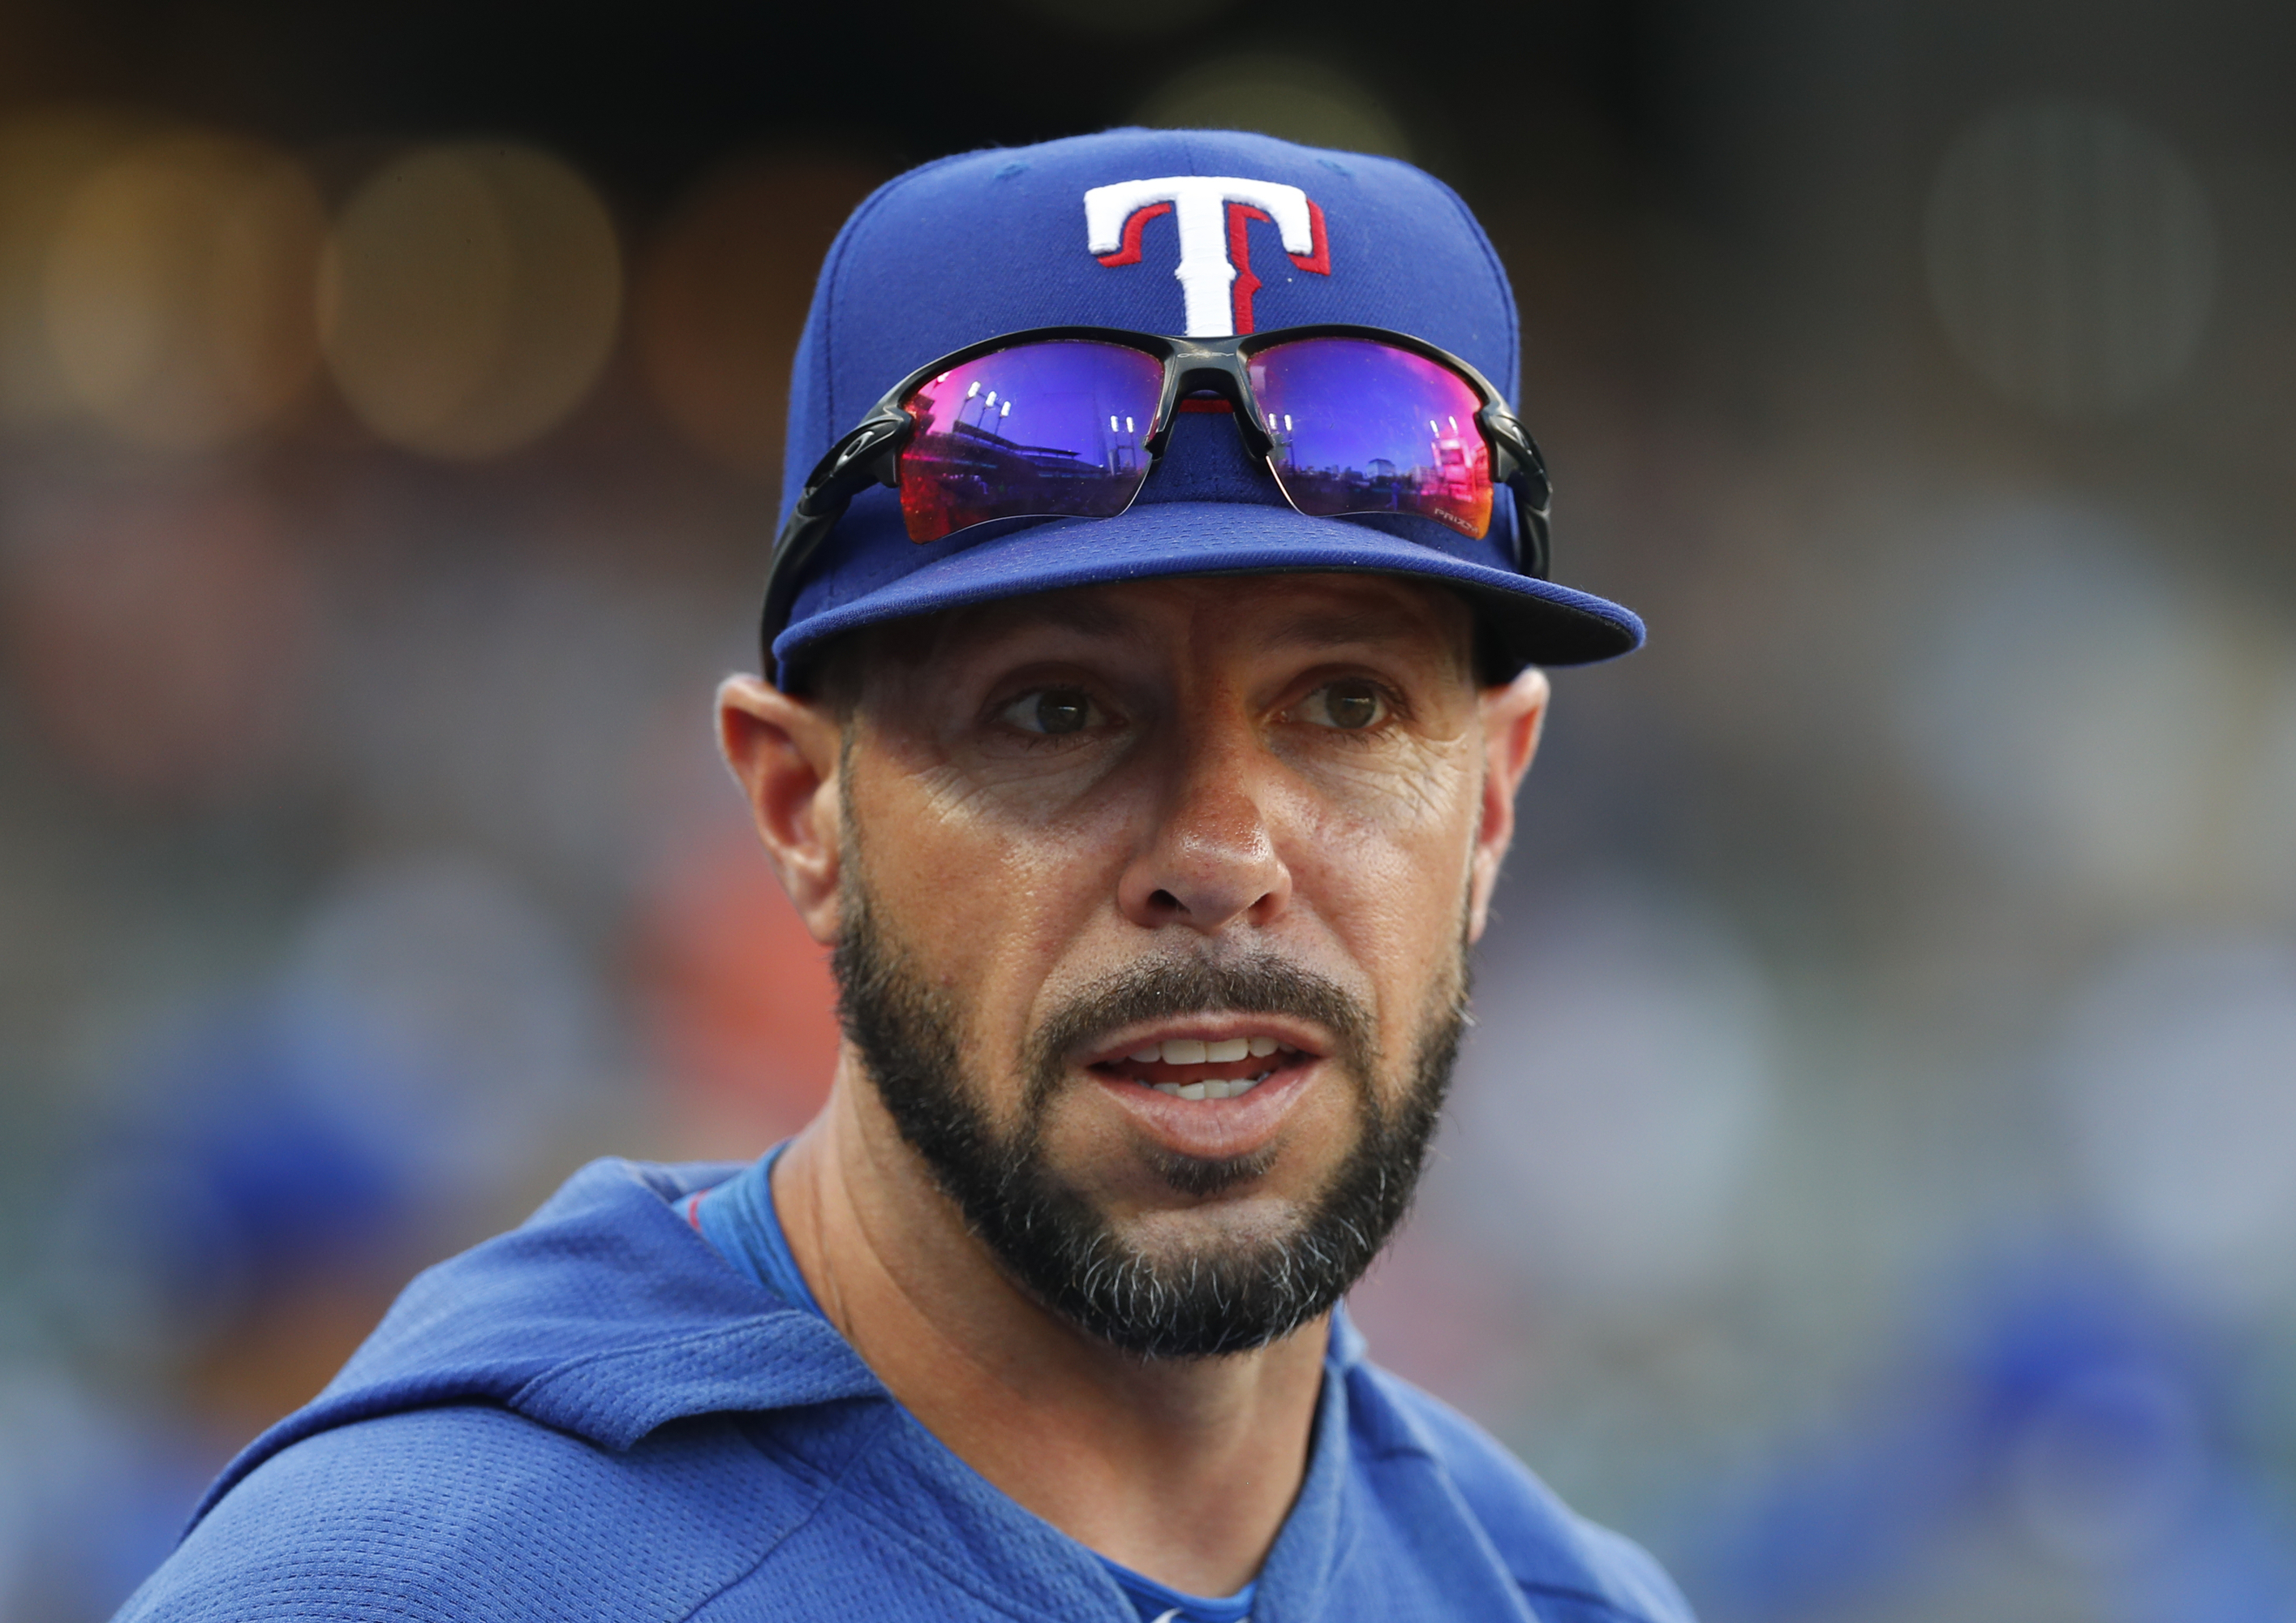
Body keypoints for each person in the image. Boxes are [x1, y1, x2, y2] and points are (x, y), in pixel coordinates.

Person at [117, 127, 1692, 1623]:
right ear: (804, 807)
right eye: (1058, 710)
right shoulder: (406, 1579)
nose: (1221, 859)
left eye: (1346, 704)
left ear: (1490, 804)